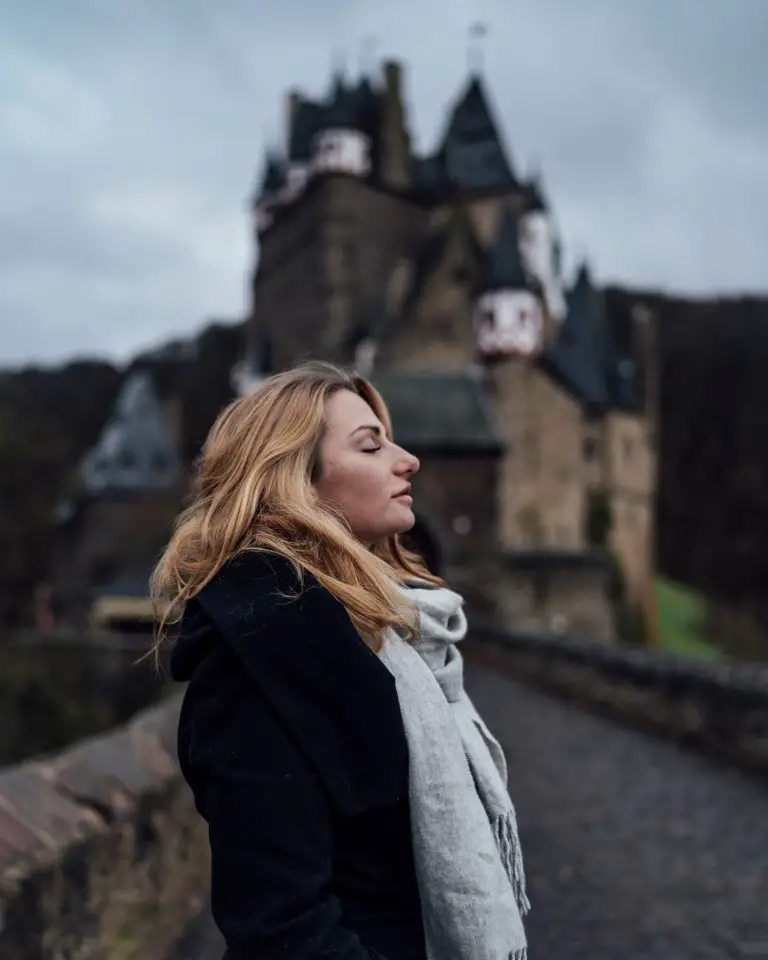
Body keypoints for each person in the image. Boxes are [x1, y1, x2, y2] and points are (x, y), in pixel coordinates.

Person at [151, 361, 529, 960]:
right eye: (370, 445)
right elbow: (284, 931)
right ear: (295, 479)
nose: (408, 460)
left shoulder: (386, 636)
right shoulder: (260, 659)